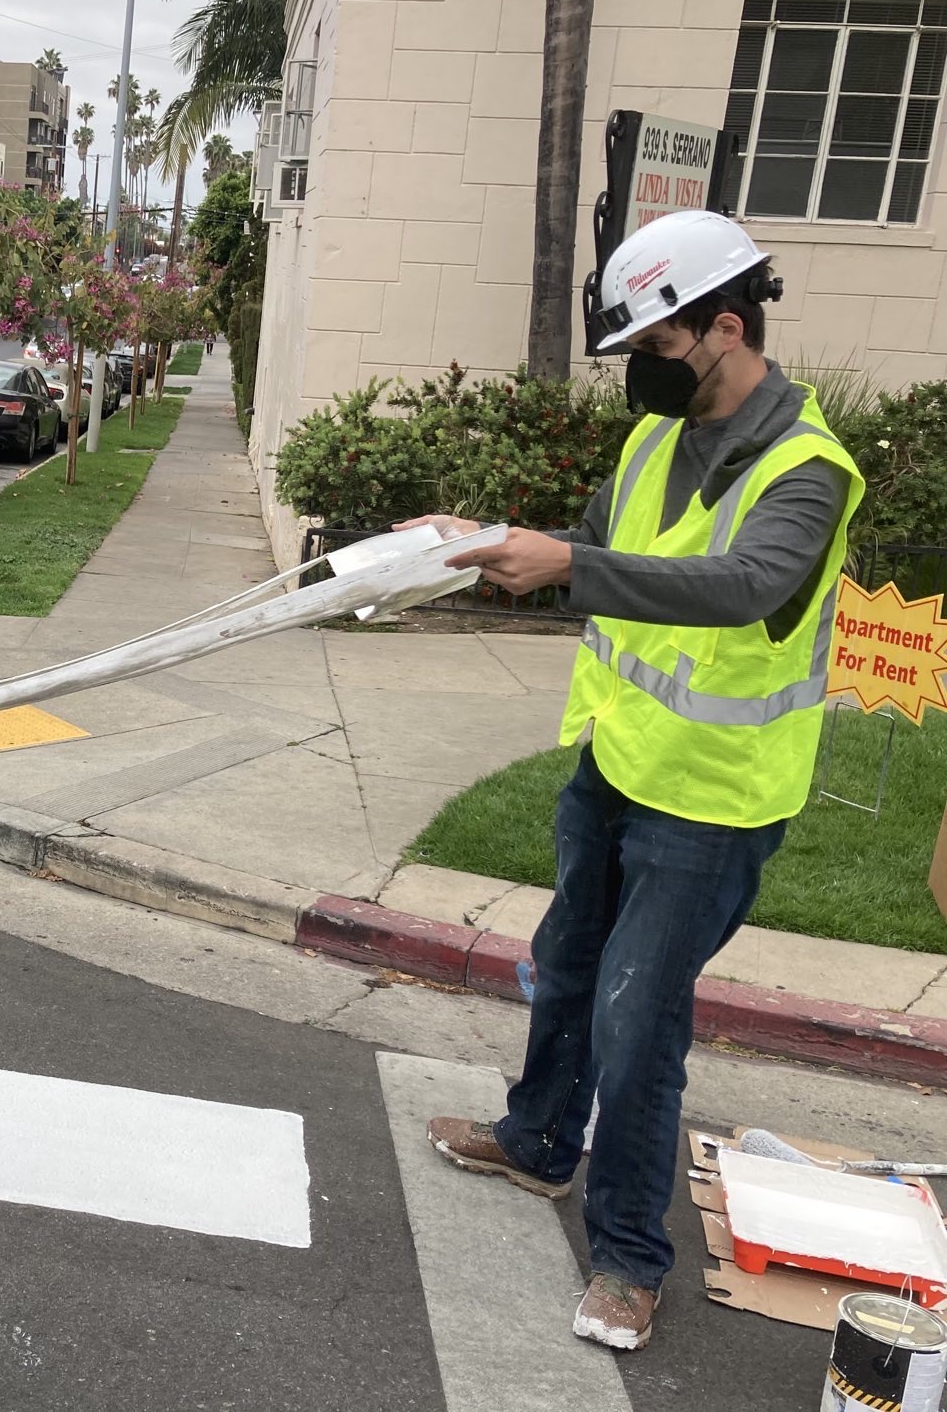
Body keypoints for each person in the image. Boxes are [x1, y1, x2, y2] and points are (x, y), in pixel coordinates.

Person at [409, 210, 860, 1353]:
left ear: (723, 326)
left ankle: (625, 1256)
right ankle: (535, 1144)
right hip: (615, 757)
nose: (638, 379)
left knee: (636, 1019)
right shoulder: (652, 443)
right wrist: (484, 544)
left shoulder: (809, 469)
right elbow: (596, 555)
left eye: (654, 350)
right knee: (564, 966)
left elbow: (740, 584)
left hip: (712, 797)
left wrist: (569, 561)